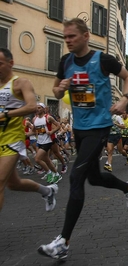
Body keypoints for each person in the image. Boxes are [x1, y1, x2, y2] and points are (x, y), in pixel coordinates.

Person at [38, 18, 128, 260]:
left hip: (100, 127)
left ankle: (63, 241)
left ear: (86, 35)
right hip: (79, 129)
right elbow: (56, 90)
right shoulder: (65, 62)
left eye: (72, 36)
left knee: (76, 177)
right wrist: (60, 89)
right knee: (94, 178)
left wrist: (125, 99)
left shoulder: (103, 59)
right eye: (65, 37)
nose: (68, 41)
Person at [0, 47, 58, 213]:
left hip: (12, 140)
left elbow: (31, 105)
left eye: (0, 64)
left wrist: (6, 114)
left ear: (10, 63)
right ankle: (47, 191)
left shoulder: (21, 83)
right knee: (13, 184)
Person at [33, 103, 63, 183]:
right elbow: (33, 130)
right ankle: (56, 175)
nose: (37, 109)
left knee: (37, 159)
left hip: (47, 141)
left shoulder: (48, 118)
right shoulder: (34, 119)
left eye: (39, 108)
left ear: (43, 109)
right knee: (47, 160)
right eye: (36, 108)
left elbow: (58, 125)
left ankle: (49, 172)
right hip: (39, 141)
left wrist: (52, 131)